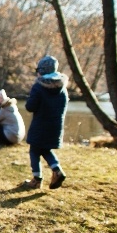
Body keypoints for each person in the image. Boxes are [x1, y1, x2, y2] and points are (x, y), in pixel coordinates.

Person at [22, 55, 68, 189]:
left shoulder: (39, 87)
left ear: (42, 71)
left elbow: (30, 107)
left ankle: (36, 180)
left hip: (40, 125)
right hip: (56, 126)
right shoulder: (62, 88)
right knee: (45, 149)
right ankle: (57, 170)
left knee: (34, 151)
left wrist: (29, 98)